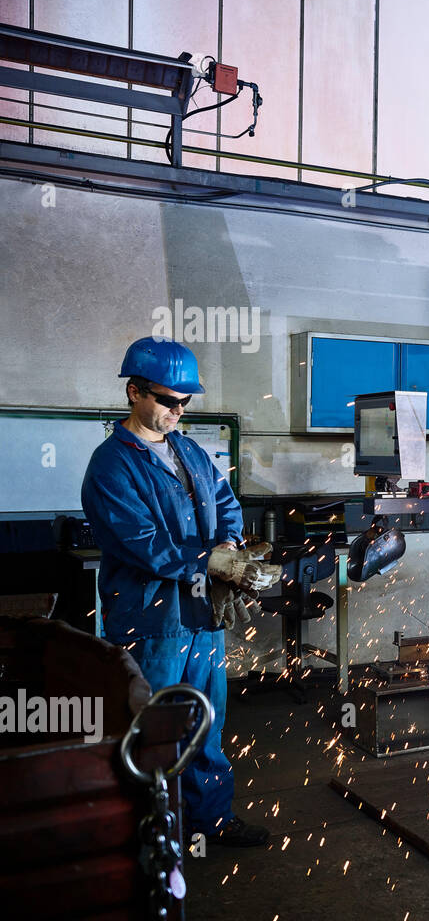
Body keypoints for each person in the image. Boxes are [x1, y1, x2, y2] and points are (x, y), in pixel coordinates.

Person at [81, 336, 281, 848]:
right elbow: (140, 542)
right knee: (153, 729)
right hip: (152, 621)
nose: (177, 412)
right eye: (168, 401)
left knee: (205, 723)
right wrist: (207, 561)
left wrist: (231, 545)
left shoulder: (187, 449)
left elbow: (224, 499)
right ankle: (150, 833)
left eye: (185, 402)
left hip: (201, 614)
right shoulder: (111, 465)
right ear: (134, 392)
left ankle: (209, 819)